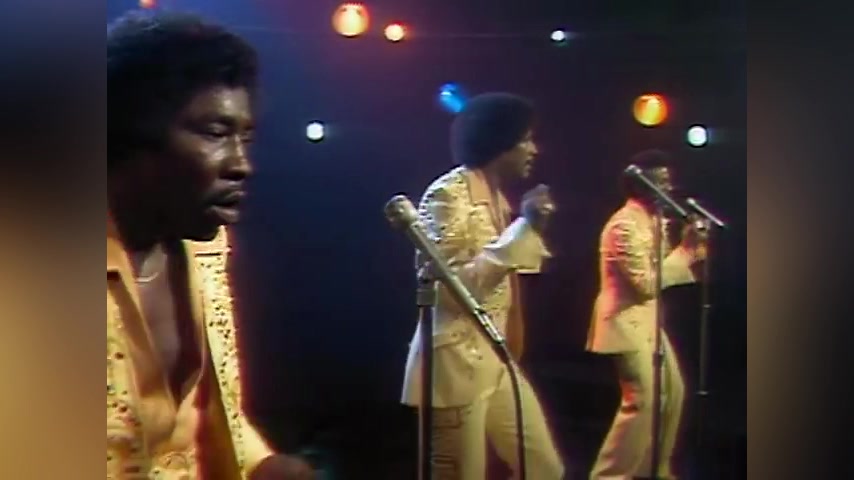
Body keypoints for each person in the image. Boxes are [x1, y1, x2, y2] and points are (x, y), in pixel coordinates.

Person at [107, 11, 314, 479]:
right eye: (216, 134)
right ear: (129, 135)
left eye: (246, 138)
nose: (242, 164)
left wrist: (263, 464)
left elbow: (200, 423)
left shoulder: (204, 248)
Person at [400, 92, 565, 479]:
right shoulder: (446, 196)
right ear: (499, 142)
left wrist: (514, 330)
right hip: (456, 365)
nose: (534, 149)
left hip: (493, 357)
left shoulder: (495, 196)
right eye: (525, 139)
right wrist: (525, 228)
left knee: (544, 468)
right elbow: (451, 291)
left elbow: (506, 277)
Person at [586, 149, 706, 479]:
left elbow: (666, 273)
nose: (668, 188)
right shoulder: (623, 225)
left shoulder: (654, 221)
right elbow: (646, 284)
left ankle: (655, 470)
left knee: (674, 393)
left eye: (668, 181)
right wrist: (685, 253)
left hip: (648, 322)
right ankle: (610, 475)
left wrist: (693, 249)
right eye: (660, 182)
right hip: (624, 321)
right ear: (641, 185)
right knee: (643, 400)